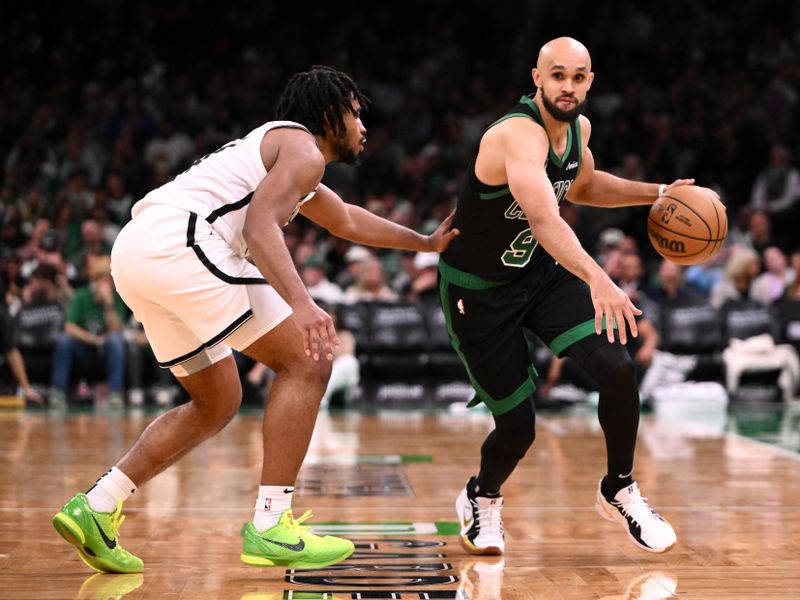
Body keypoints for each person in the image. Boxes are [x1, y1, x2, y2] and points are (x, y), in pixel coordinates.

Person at [52, 66, 458, 574]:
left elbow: (348, 219)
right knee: (309, 359)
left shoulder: (285, 157)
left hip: (136, 253)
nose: (363, 125)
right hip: (182, 245)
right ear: (329, 114)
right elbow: (260, 226)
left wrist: (423, 243)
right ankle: (272, 523)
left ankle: (98, 505)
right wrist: (302, 303)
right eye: (356, 112)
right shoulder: (303, 149)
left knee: (217, 400)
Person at [439, 38, 716, 556]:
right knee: (519, 427)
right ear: (537, 78)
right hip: (479, 291)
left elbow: (584, 185)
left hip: (538, 273)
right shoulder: (517, 135)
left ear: (590, 82)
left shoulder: (578, 130)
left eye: (579, 77)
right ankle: (483, 496)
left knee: (615, 366)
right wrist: (598, 278)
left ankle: (619, 486)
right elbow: (544, 218)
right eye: (558, 75)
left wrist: (660, 193)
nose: (568, 87)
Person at [48, 255, 128, 409]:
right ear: (94, 281)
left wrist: (109, 305)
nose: (106, 285)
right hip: (85, 347)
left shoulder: (116, 299)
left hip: (105, 349)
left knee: (116, 341)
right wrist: (92, 339)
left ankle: (115, 393)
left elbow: (116, 330)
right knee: (64, 341)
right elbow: (70, 327)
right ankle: (58, 391)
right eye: (102, 280)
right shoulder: (81, 296)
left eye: (109, 280)